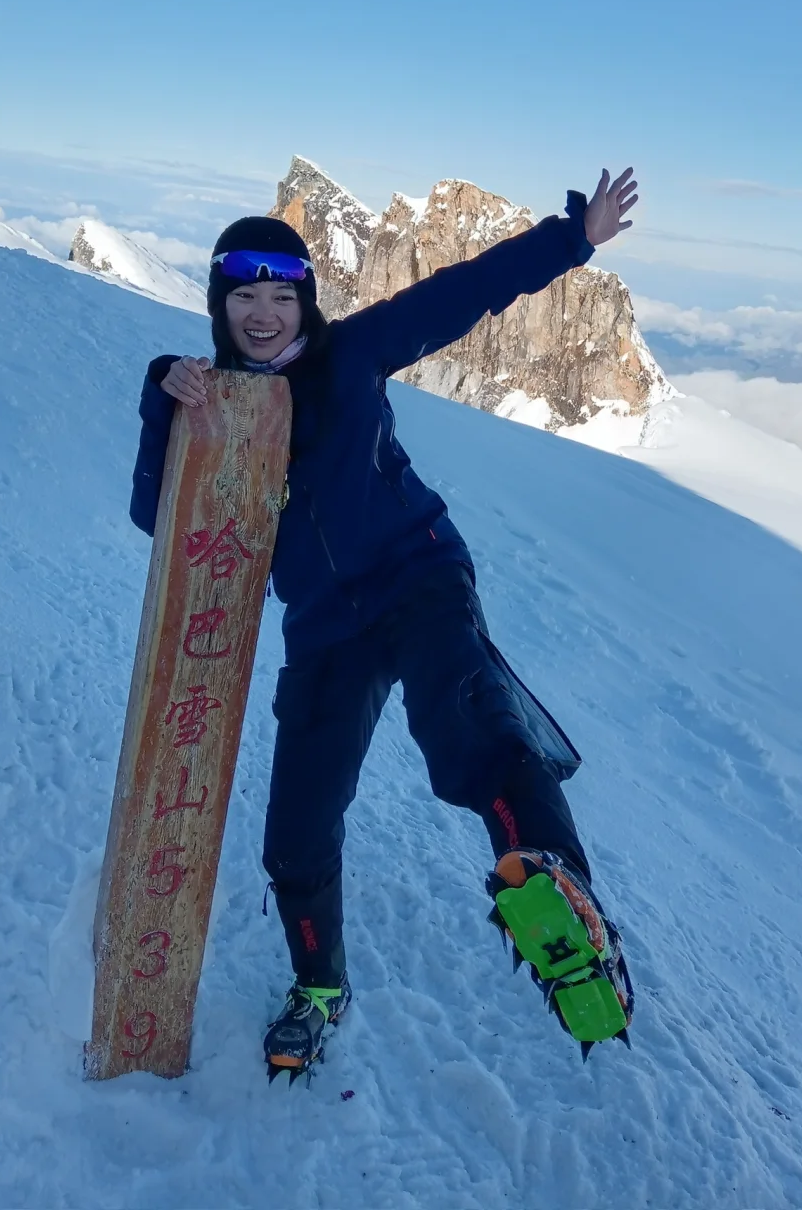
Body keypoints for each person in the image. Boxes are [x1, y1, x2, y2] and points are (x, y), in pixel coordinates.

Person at [130, 168, 639, 1080]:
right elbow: (155, 516)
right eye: (243, 296)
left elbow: (463, 293)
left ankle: (552, 881)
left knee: (463, 716)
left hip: (417, 573)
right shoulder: (215, 400)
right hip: (326, 625)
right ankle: (320, 986)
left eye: (280, 296)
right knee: (296, 834)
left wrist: (576, 238)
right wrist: (161, 402)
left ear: (304, 301)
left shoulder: (353, 353)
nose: (262, 314)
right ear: (218, 304)